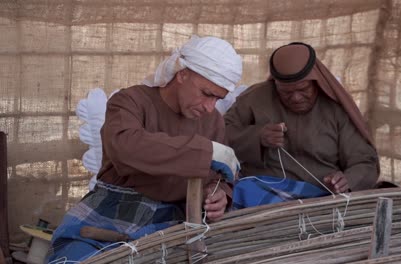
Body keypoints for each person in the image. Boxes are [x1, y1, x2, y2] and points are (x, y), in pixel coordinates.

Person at [47, 35, 243, 262]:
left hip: (176, 221)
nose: (210, 107)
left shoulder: (213, 121)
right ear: (182, 74)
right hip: (114, 210)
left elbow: (221, 178)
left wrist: (219, 194)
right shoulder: (130, 101)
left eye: (218, 99)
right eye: (207, 94)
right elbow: (126, 147)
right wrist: (204, 152)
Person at [225, 42, 379, 209]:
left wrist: (347, 181)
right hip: (263, 192)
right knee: (240, 193)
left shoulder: (336, 109)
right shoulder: (255, 98)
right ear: (275, 84)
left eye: (304, 89)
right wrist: (257, 136)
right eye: (286, 92)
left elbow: (365, 162)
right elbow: (221, 134)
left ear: (316, 82)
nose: (296, 98)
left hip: (322, 196)